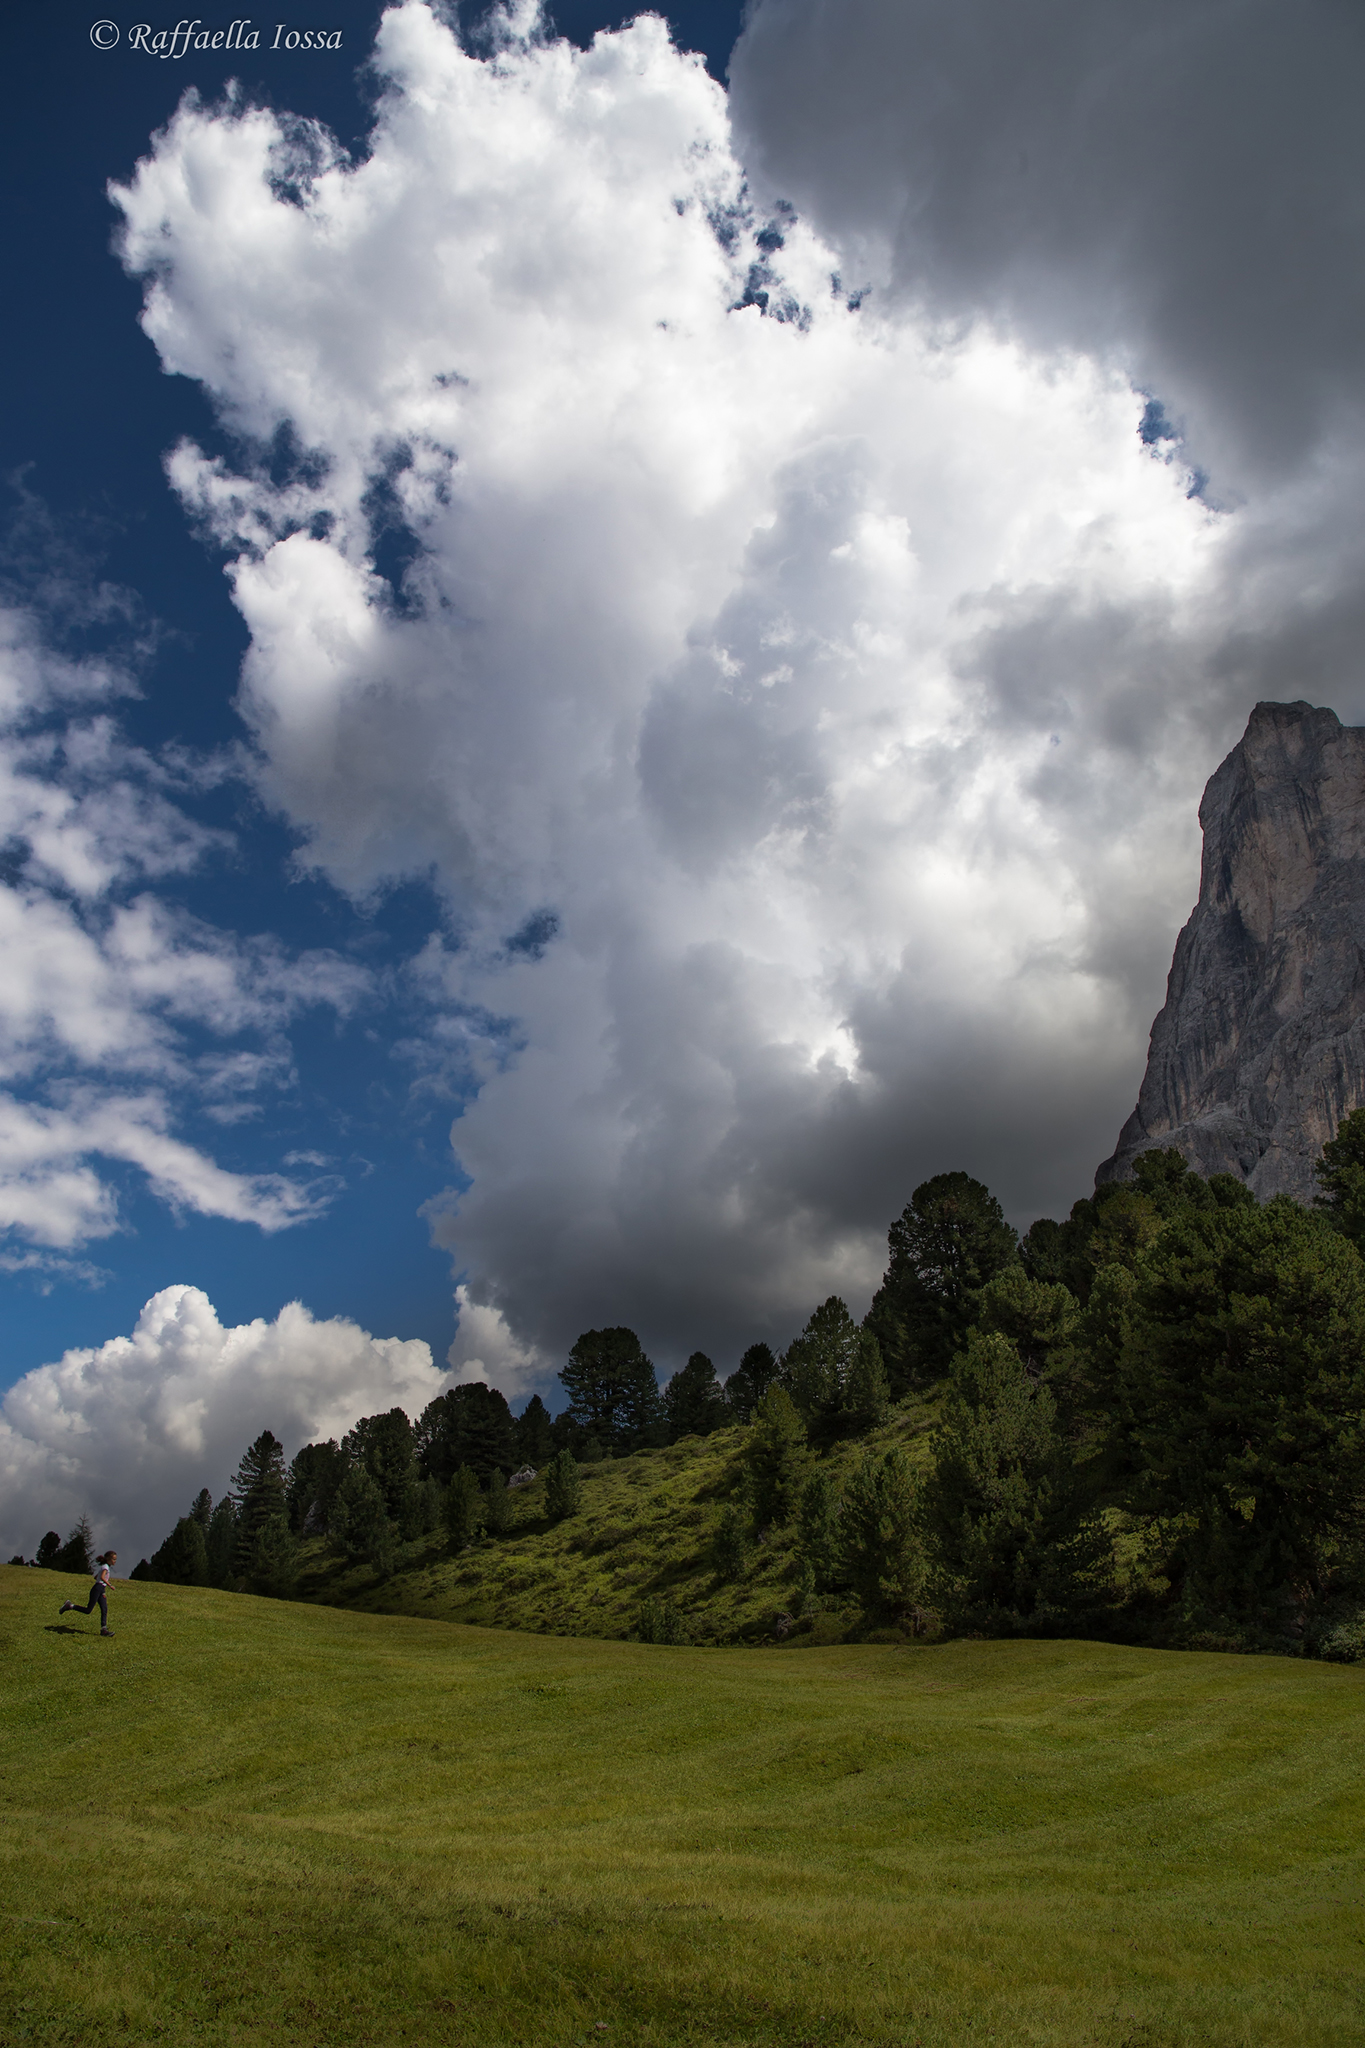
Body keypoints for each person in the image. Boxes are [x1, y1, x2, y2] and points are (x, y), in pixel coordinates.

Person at [60, 1550, 116, 1636]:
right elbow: (101, 1577)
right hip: (98, 1589)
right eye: (113, 1559)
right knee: (88, 1610)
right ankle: (70, 1606)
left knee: (104, 1609)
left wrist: (102, 1582)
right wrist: (110, 1585)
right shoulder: (105, 1567)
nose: (115, 1561)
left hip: (101, 1589)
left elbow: (96, 1577)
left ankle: (104, 1630)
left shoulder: (104, 1566)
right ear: (108, 1559)